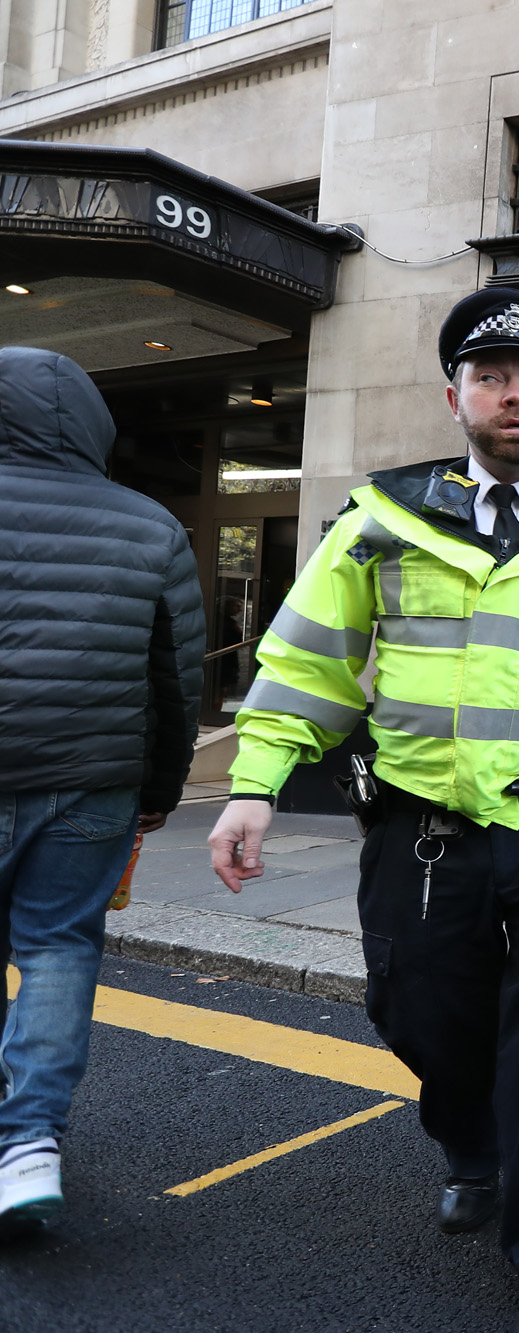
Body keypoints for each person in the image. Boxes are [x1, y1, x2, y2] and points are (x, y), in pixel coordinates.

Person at [207, 288, 519, 1332]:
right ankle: (473, 1142)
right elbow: (309, 661)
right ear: (457, 397)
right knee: (418, 1014)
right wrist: (254, 786)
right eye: (492, 378)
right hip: (422, 828)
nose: (514, 396)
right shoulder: (384, 515)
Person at [0, 347, 204, 1234]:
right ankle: (28, 1144)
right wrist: (159, 788)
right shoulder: (150, 524)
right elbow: (176, 675)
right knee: (56, 948)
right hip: (93, 777)